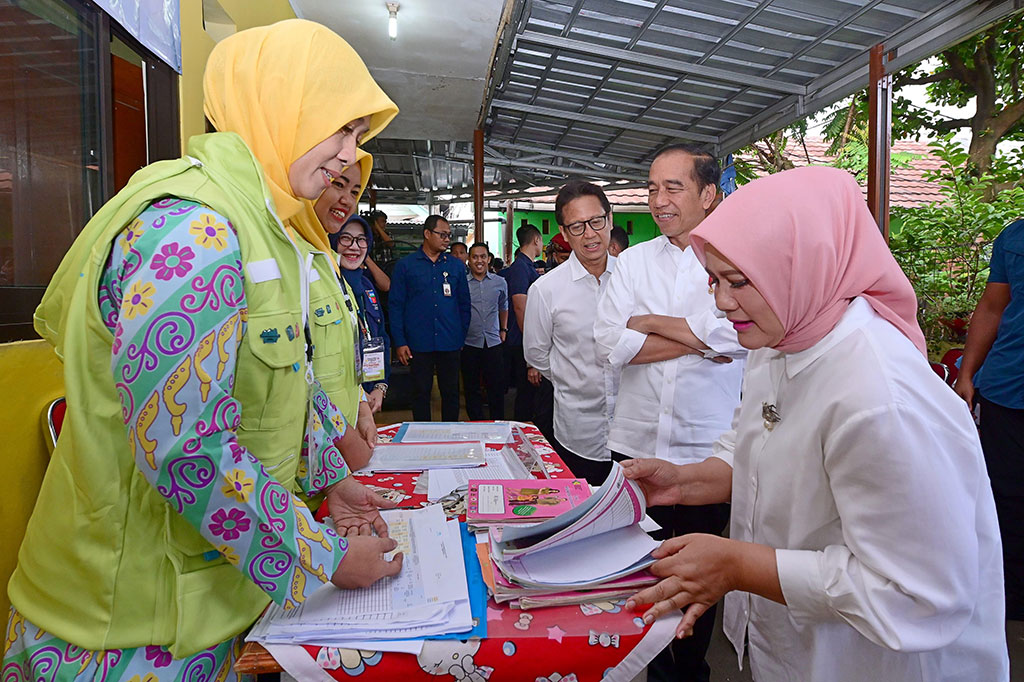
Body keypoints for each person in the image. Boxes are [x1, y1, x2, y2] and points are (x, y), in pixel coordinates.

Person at [4, 20, 404, 680]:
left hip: (202, 602)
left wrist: (332, 479)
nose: (347, 155)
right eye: (339, 127)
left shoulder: (259, 229)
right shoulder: (195, 228)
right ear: (278, 101)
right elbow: (185, 446)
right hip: (119, 628)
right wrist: (321, 557)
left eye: (358, 136)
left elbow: (280, 390)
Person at [623, 166, 1008, 681]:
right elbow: (760, 448)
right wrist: (684, 480)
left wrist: (739, 566)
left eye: (738, 281)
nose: (721, 302)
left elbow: (919, 595)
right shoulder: (780, 335)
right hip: (796, 654)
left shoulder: (879, 397)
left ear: (804, 267)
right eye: (713, 280)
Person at [594, 143, 744, 682]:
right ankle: (652, 670)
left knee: (698, 575)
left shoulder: (734, 259)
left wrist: (651, 321)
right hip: (635, 446)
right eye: (652, 188)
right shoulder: (632, 261)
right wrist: (699, 338)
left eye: (671, 187)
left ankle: (691, 669)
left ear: (709, 194)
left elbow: (736, 337)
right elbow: (610, 343)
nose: (657, 200)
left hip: (708, 454)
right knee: (639, 569)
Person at [524, 181, 617, 485]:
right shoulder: (546, 290)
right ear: (564, 233)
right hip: (579, 433)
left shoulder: (635, 278)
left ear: (610, 219)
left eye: (596, 221)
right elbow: (536, 353)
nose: (590, 234)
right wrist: (572, 379)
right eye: (577, 226)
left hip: (635, 434)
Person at [955, 217, 1024, 619]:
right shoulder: (1014, 236)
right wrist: (966, 374)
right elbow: (992, 306)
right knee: (1006, 497)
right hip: (1006, 387)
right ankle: (1009, 598)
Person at [389, 214, 471, 421]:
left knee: (450, 393)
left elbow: (464, 304)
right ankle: (422, 437)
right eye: (442, 234)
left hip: (450, 340)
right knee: (420, 394)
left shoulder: (456, 267)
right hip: (418, 343)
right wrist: (399, 342)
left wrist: (460, 335)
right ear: (427, 234)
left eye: (448, 235)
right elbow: (396, 305)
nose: (446, 239)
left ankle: (450, 435)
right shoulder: (405, 266)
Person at [337, 214, 392, 413]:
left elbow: (380, 337)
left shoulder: (367, 285)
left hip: (371, 396)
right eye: (345, 238)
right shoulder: (325, 286)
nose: (354, 246)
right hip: (338, 401)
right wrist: (359, 396)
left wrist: (380, 386)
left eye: (361, 240)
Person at [315, 158, 391, 294]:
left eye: (355, 193)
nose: (347, 200)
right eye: (338, 184)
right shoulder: (316, 275)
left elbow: (386, 285)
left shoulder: (365, 284)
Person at [500, 223, 543, 421]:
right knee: (525, 394)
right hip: (522, 340)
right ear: (536, 240)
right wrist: (531, 342)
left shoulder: (527, 266)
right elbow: (519, 306)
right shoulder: (520, 268)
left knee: (531, 394)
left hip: (527, 338)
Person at [462, 242, 509, 420]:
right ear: (469, 260)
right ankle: (476, 423)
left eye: (483, 257)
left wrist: (503, 329)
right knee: (471, 388)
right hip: (469, 343)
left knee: (496, 387)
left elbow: (504, 306)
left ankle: (498, 423)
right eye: (475, 257)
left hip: (494, 342)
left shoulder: (500, 282)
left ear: (489, 259)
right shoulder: (462, 284)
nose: (479, 261)